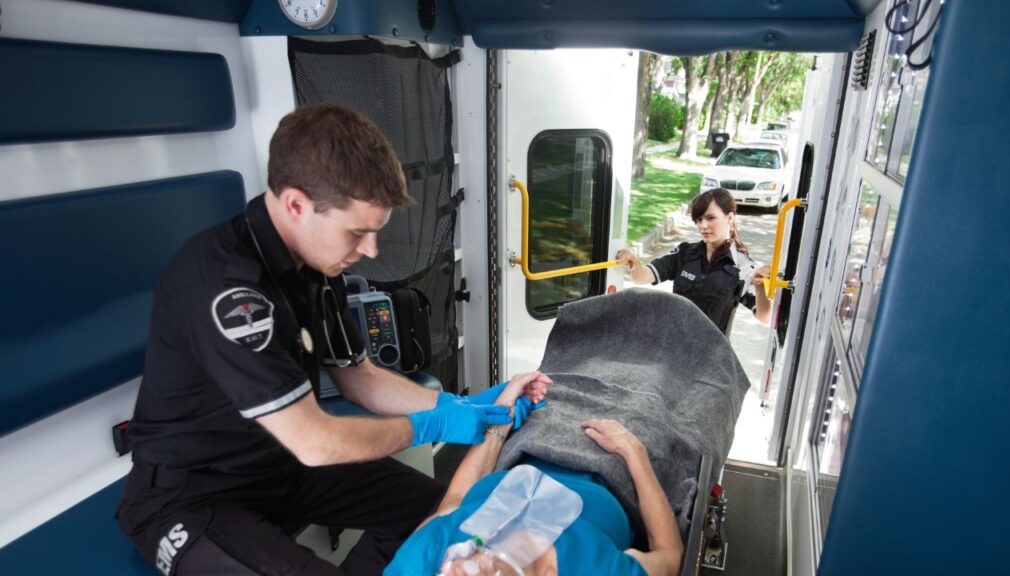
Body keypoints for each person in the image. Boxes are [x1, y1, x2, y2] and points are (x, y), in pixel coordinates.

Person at [116, 103, 551, 575]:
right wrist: (429, 426)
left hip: (278, 467)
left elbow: (358, 379)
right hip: (192, 496)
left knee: (441, 517)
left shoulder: (316, 269)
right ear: (297, 205)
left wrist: (455, 407)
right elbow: (315, 443)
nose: (370, 251)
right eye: (358, 233)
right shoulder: (228, 287)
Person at [383, 374, 681, 576]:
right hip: (609, 461)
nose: (454, 571)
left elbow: (456, 501)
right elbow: (668, 555)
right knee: (653, 383)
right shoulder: (595, 568)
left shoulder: (424, 557)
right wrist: (634, 452)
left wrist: (500, 418)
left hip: (527, 440)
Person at [616, 188, 772, 334]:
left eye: (711, 218)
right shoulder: (684, 253)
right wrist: (633, 262)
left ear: (729, 218)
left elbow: (764, 317)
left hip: (712, 355)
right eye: (699, 219)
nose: (703, 225)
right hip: (674, 347)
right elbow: (642, 276)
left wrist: (759, 286)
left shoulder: (743, 266)